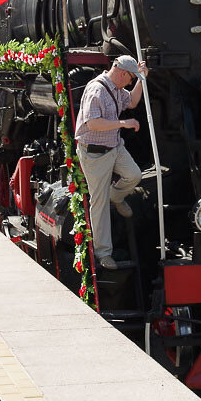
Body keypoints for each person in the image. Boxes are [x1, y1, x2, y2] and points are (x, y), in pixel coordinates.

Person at [74, 55, 149, 270]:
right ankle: (103, 253)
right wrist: (123, 123)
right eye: (131, 79)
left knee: (134, 175)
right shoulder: (97, 90)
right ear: (122, 72)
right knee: (98, 203)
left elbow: (133, 101)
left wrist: (143, 80)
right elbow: (93, 123)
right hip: (95, 153)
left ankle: (115, 196)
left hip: (115, 146)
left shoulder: (117, 88)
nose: (130, 83)